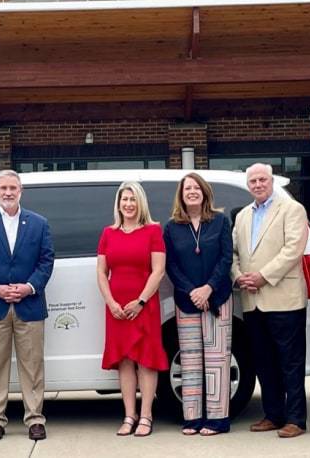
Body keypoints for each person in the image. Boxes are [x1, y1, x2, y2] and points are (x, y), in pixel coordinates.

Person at [0, 170, 54, 441]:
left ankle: (35, 419)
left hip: (30, 304)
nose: (8, 192)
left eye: (12, 188)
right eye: (3, 188)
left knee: (33, 365)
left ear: (20, 191)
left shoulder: (39, 223)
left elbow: (46, 260)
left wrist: (29, 287)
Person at [231, 163, 309, 438]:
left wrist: (263, 276)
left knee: (291, 362)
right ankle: (273, 415)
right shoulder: (242, 216)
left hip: (284, 298)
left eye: (262, 179)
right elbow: (234, 253)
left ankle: (296, 419)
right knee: (264, 362)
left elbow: (293, 249)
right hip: (252, 300)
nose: (258, 184)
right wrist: (238, 276)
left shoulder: (292, 209)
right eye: (253, 181)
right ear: (248, 185)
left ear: (271, 180)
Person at [163, 173, 234, 436]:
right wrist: (192, 291)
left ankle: (218, 420)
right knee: (190, 361)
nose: (192, 192)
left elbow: (226, 258)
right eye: (187, 189)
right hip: (187, 299)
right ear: (181, 195)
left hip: (218, 298)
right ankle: (192, 418)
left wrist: (208, 288)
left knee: (217, 360)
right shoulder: (172, 227)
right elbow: (171, 264)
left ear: (204, 192)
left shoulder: (220, 221)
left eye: (196, 188)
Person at [96, 181, 168, 437]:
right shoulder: (108, 233)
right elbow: (102, 272)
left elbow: (158, 271)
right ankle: (129, 415)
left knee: (146, 360)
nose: (128, 204)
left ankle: (146, 415)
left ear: (141, 203)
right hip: (116, 308)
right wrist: (111, 302)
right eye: (124, 199)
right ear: (118, 204)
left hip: (144, 305)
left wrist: (141, 301)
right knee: (124, 360)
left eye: (133, 199)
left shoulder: (153, 231)